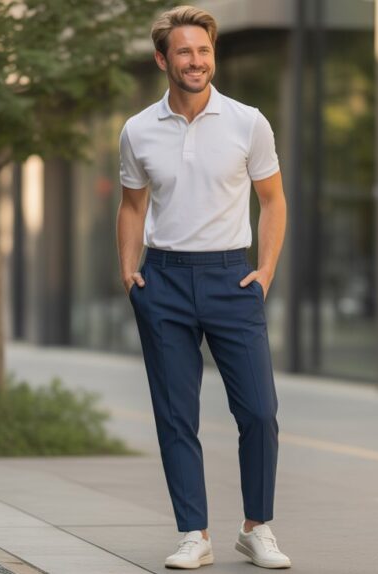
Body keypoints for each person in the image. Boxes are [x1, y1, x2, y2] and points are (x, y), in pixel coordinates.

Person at [115, 6, 290, 570]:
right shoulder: (138, 130)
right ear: (162, 59)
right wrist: (128, 270)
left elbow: (273, 201)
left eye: (204, 51)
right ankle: (194, 532)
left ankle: (256, 527)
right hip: (162, 280)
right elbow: (132, 205)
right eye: (185, 52)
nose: (197, 61)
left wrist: (263, 272)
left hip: (230, 278)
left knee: (259, 412)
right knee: (175, 416)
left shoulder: (247, 122)